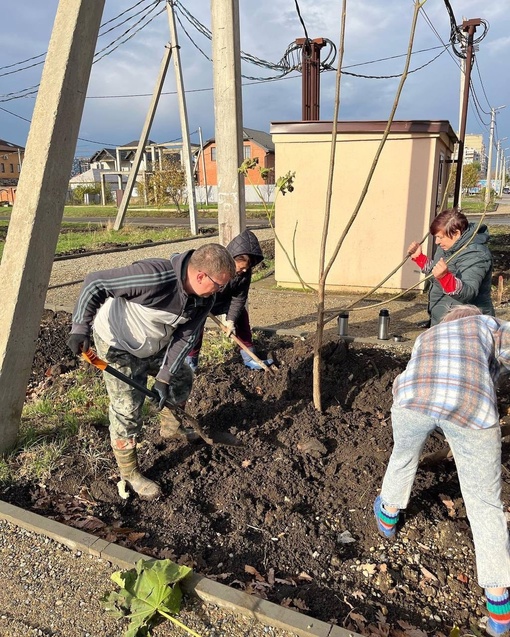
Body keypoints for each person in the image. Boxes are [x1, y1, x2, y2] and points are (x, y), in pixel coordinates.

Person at [373, 305, 510, 636]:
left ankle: (388, 518)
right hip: (471, 408)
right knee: (483, 501)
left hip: (411, 399)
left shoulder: (428, 334)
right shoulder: (489, 324)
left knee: (404, 455)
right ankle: (498, 604)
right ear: (473, 317)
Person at [66, 243, 236, 500]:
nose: (220, 291)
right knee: (127, 408)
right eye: (218, 284)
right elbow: (95, 283)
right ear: (200, 276)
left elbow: (184, 339)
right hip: (118, 342)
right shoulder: (154, 276)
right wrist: (80, 327)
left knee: (182, 379)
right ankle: (130, 473)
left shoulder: (204, 299)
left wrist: (164, 378)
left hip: (153, 343)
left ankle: (171, 428)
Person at [185, 229, 273, 371]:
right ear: (232, 259)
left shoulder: (244, 274)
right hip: (203, 299)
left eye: (247, 268)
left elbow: (239, 298)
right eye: (241, 268)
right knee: (196, 327)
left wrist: (231, 320)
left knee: (241, 317)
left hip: (223, 302)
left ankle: (249, 356)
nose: (244, 271)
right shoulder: (215, 264)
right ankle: (190, 361)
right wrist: (200, 303)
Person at [408, 208, 494, 326]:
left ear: (457, 233)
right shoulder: (447, 247)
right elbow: (436, 275)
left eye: (440, 237)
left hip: (468, 326)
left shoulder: (476, 254)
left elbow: (468, 293)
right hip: (444, 321)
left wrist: (445, 278)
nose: (437, 242)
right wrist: (420, 258)